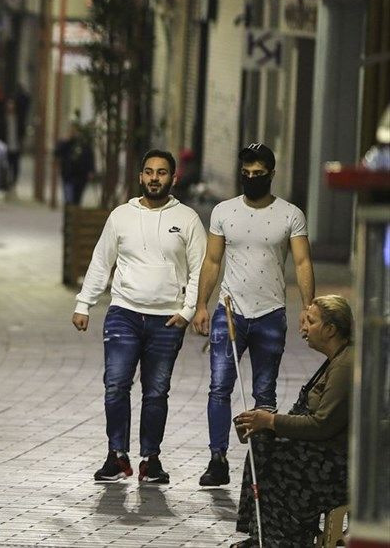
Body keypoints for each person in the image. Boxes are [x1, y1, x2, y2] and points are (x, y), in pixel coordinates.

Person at [72, 149, 206, 483]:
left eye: (162, 173)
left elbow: (199, 269)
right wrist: (83, 303)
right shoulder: (121, 216)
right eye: (149, 172)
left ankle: (150, 459)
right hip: (124, 313)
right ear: (140, 177)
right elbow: (102, 261)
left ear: (173, 178)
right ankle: (117, 455)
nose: (154, 178)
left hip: (167, 320)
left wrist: (188, 311)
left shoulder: (188, 219)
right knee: (115, 384)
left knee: (156, 391)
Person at [191, 142, 314, 487]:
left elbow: (303, 262)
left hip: (271, 313)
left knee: (265, 393)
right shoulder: (223, 212)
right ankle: (217, 459)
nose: (251, 179)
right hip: (230, 311)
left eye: (258, 174)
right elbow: (212, 261)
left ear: (271, 175)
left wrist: (308, 308)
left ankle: (262, 463)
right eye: (245, 174)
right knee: (219, 387)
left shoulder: (291, 215)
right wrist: (202, 304)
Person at [229, 296, 353, 547]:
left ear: (330, 330)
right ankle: (263, 535)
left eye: (310, 321)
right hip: (322, 452)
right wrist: (259, 422)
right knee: (261, 442)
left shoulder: (346, 365)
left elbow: (322, 425)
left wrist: (271, 422)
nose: (303, 328)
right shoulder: (335, 360)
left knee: (274, 459)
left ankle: (282, 539)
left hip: (336, 466)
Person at [54, 123, 95, 206]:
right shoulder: (66, 143)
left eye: (75, 131)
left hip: (81, 175)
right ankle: (69, 213)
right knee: (68, 197)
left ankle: (74, 212)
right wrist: (66, 141)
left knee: (77, 198)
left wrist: (91, 170)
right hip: (68, 175)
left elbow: (90, 157)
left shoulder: (84, 144)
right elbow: (57, 153)